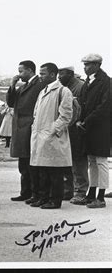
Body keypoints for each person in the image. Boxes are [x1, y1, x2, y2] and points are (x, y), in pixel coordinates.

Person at [30, 63, 73, 209]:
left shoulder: (63, 91)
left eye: (43, 74)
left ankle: (55, 200)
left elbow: (66, 115)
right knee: (43, 170)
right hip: (40, 135)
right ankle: (44, 198)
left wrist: (53, 130)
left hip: (52, 136)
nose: (40, 76)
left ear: (53, 74)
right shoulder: (43, 91)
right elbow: (36, 113)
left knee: (55, 172)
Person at [6, 60, 47, 203]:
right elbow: (11, 102)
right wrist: (12, 85)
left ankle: (35, 193)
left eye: (21, 71)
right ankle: (25, 192)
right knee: (23, 163)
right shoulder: (24, 86)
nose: (19, 74)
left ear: (30, 70)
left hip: (30, 127)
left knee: (31, 163)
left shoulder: (39, 85)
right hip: (20, 127)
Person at [76, 54, 110, 208]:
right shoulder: (88, 82)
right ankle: (91, 193)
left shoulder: (106, 82)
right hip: (88, 127)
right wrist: (79, 119)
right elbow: (82, 103)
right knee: (91, 161)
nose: (85, 67)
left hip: (101, 127)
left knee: (101, 161)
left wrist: (86, 120)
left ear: (98, 65)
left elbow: (104, 106)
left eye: (88, 64)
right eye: (84, 64)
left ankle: (101, 197)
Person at [58, 66, 88, 204]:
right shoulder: (64, 87)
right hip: (68, 129)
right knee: (68, 161)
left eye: (61, 74)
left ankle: (80, 191)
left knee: (78, 161)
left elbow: (84, 108)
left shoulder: (80, 87)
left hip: (78, 130)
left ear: (70, 74)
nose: (59, 77)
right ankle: (68, 190)